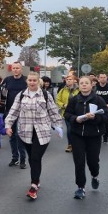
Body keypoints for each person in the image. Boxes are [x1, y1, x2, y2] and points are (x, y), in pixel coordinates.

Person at [5, 72, 64, 200]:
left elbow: (53, 111)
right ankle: (36, 179)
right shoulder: (21, 95)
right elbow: (13, 112)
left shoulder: (45, 95)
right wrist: (8, 125)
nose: (32, 82)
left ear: (38, 82)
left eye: (34, 81)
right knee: (32, 158)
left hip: (42, 132)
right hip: (25, 132)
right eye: (30, 80)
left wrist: (58, 126)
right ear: (27, 82)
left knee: (36, 157)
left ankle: (33, 185)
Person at [64, 76, 108, 200]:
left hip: (94, 136)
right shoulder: (74, 99)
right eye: (81, 83)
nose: (84, 85)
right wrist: (76, 119)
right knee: (79, 162)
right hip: (77, 135)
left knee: (92, 161)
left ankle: (95, 175)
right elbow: (67, 114)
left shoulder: (98, 100)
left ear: (91, 85)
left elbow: (106, 117)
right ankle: (80, 187)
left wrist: (95, 118)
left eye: (86, 83)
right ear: (78, 85)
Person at [0, 62, 28, 168]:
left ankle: (23, 160)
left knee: (20, 136)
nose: (15, 70)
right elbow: (1, 93)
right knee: (11, 136)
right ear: (12, 69)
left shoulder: (26, 80)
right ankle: (15, 158)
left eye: (17, 68)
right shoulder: (7, 80)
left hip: (23, 113)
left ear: (21, 69)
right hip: (10, 112)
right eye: (14, 68)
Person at [56, 75, 79, 153]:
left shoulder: (78, 90)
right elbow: (58, 100)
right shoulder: (62, 90)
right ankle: (70, 144)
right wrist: (63, 105)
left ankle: (78, 144)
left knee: (75, 129)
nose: (68, 81)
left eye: (70, 79)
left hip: (77, 113)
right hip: (66, 113)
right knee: (69, 129)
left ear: (74, 81)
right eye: (67, 79)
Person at [94, 73, 108, 144]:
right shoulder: (94, 88)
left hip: (107, 109)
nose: (102, 79)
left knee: (107, 125)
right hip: (96, 110)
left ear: (107, 78)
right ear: (98, 79)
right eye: (101, 77)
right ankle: (98, 136)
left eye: (104, 77)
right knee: (97, 123)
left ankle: (105, 137)